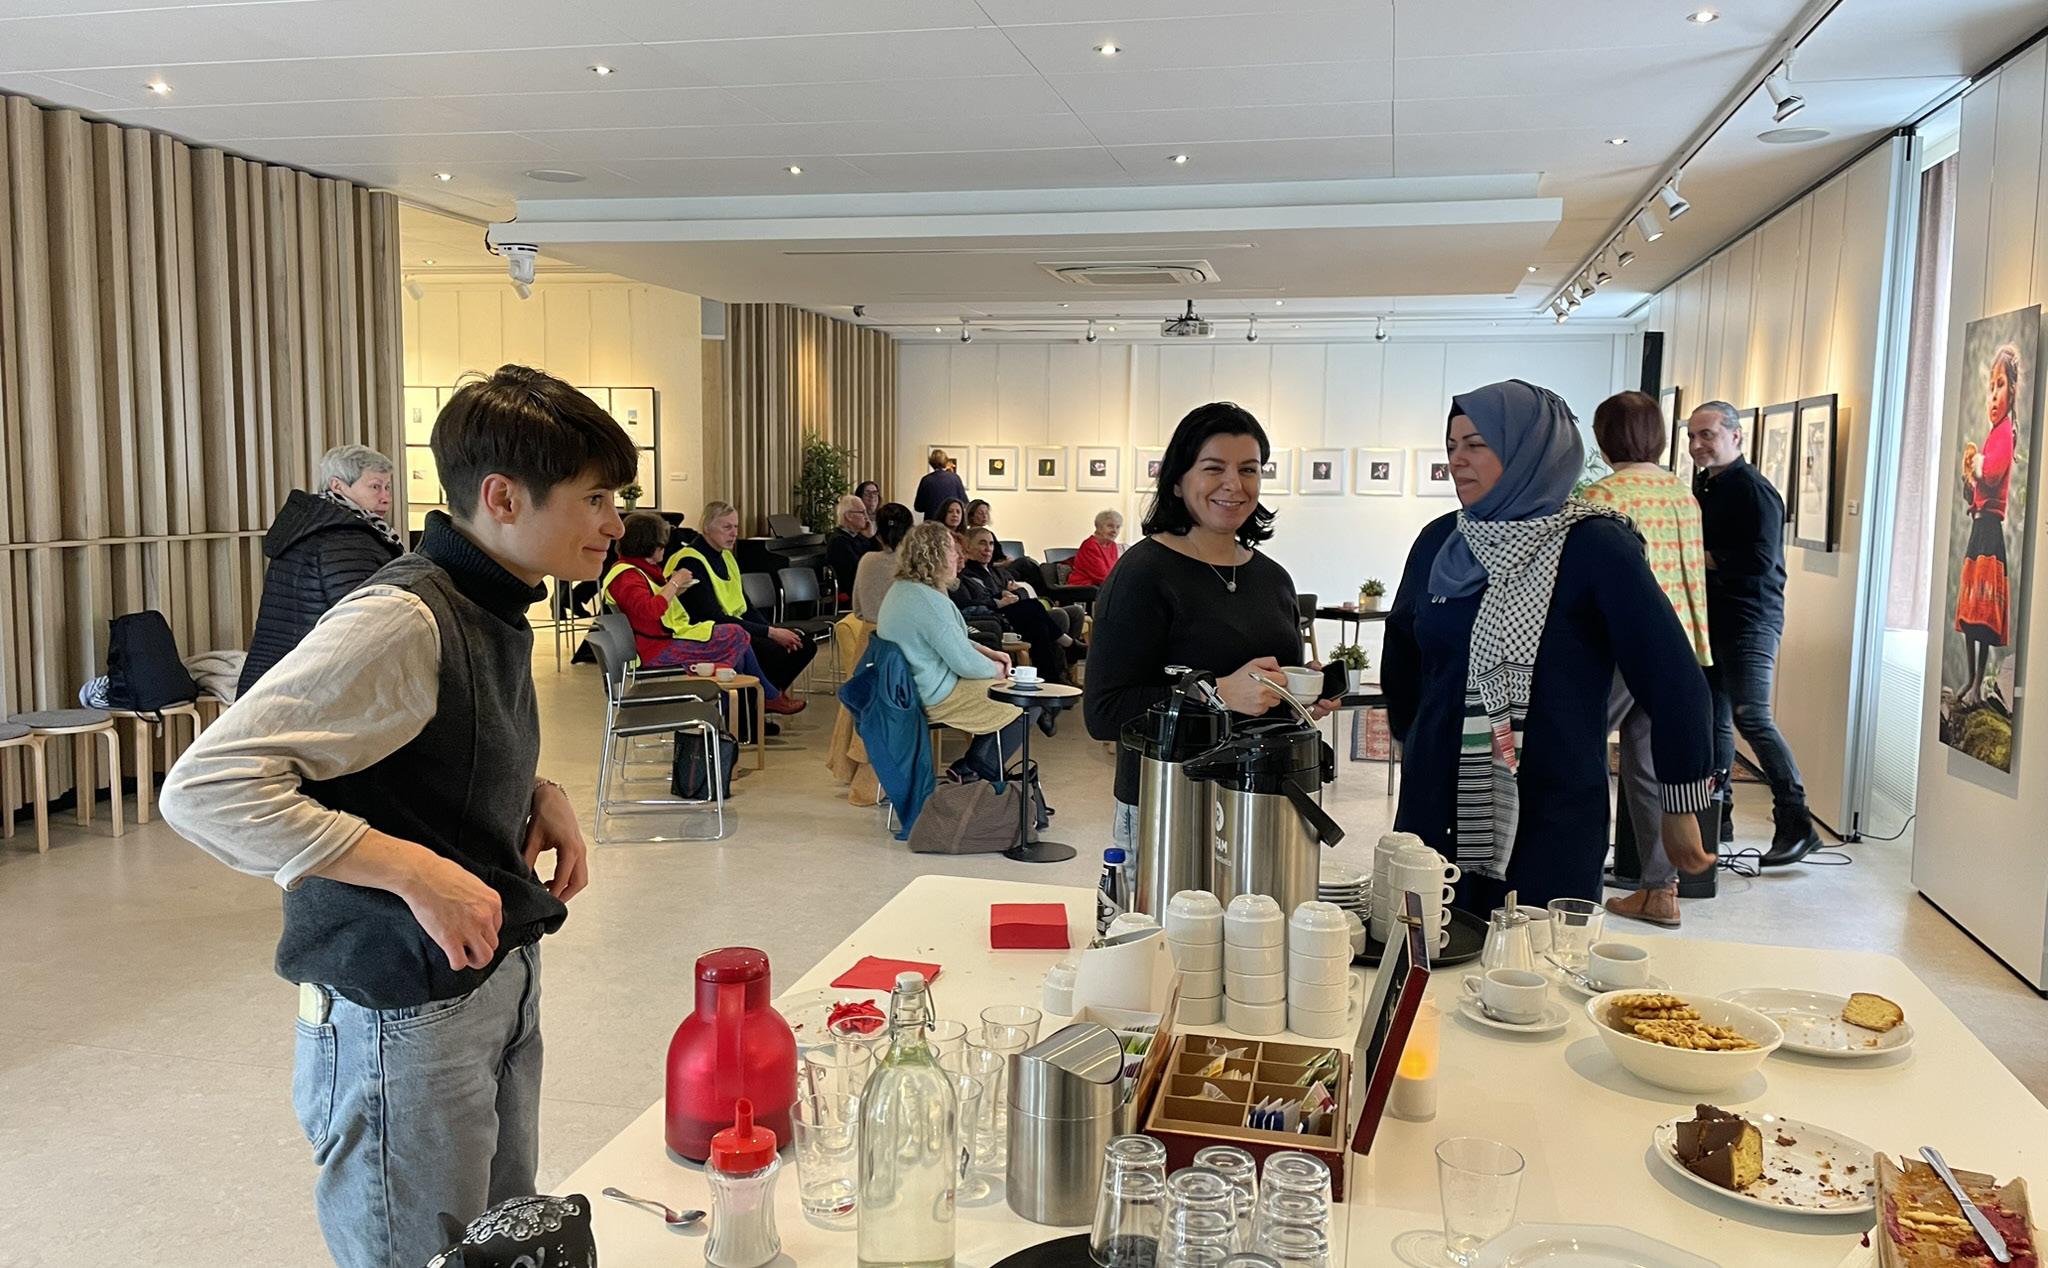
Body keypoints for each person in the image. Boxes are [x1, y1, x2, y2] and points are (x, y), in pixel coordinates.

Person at [159, 365, 629, 1268]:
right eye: (596, 498)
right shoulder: (404, 616)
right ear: (502, 497)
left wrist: (538, 791)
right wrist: (411, 870)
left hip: (485, 981)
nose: (614, 524)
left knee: (495, 1246)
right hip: (399, 1017)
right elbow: (206, 786)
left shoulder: (492, 601)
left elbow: (419, 750)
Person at [1383, 379, 1713, 912]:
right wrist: (1413, 735)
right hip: (1435, 798)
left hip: (1551, 807)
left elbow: (1671, 676)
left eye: (1477, 444)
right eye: (1451, 444)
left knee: (1544, 952)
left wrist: (1680, 803)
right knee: (1432, 939)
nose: (1457, 460)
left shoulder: (1594, 545)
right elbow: (1404, 648)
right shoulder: (1440, 542)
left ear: (1529, 449)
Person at [1084, 402, 1341, 852]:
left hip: (1266, 799)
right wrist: (1216, 692)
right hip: (1170, 806)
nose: (1234, 484)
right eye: (1213, 468)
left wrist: (1299, 698)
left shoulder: (1274, 579)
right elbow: (1104, 713)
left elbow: (1268, 696)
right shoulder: (1142, 574)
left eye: (1248, 469)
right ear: (1178, 481)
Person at [1581, 392, 1715, 927]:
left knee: (1581, 750)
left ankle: (1580, 876)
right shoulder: (1682, 494)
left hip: (1617, 645)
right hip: (1674, 646)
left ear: (1604, 439)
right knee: (1651, 767)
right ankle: (1661, 890)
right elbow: (1691, 574)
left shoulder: (1601, 496)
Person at [1687, 400, 1821, 866]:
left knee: (1752, 717)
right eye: (1692, 436)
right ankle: (1717, 817)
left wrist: (1697, 557)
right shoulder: (1706, 485)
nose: (1697, 445)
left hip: (1751, 620)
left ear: (1735, 436)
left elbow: (1759, 561)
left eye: (1706, 434)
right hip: (1713, 620)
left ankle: (1797, 821)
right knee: (1716, 718)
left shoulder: (1754, 490)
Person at [238, 444, 404, 695]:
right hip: (313, 683)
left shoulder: (308, 527)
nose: (385, 497)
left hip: (276, 673)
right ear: (338, 486)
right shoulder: (346, 539)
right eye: (375, 486)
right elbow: (365, 623)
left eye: (387, 487)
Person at [877, 521, 1030, 785]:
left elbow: (949, 640)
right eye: (951, 550)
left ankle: (975, 769)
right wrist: (995, 669)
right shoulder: (928, 600)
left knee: (1014, 695)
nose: (959, 556)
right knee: (1023, 701)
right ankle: (973, 770)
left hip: (905, 689)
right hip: (930, 694)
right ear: (934, 555)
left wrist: (985, 651)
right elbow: (965, 665)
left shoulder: (904, 590)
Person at [603, 512, 801, 714]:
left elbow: (651, 604)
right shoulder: (627, 576)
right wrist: (675, 582)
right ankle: (756, 702)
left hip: (662, 639)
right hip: (654, 649)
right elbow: (650, 610)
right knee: (737, 635)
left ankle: (740, 713)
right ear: (650, 544)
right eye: (662, 543)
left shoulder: (638, 569)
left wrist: (675, 590)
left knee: (737, 645)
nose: (665, 547)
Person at [668, 500, 817, 706]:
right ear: (707, 528)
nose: (734, 533)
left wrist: (771, 630)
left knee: (802, 645)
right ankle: (760, 703)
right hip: (708, 632)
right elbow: (710, 616)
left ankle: (760, 705)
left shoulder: (726, 557)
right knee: (772, 650)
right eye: (727, 527)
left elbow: (746, 606)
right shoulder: (691, 561)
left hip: (736, 626)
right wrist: (770, 633)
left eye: (736, 527)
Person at [1955, 344, 2022, 707]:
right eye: (1991, 387)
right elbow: (1980, 487)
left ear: (2012, 390)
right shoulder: (1992, 433)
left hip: (1991, 531)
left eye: (2000, 385)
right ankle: (1970, 679)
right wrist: (1969, 484)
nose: (1994, 395)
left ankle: (1979, 682)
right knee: (1970, 611)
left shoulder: (2005, 434)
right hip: (1978, 527)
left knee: (1982, 615)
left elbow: (1993, 473)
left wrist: (1977, 464)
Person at [956, 526, 1071, 691]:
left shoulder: (997, 571)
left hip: (1015, 612)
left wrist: (1012, 595)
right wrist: (1000, 599)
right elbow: (976, 601)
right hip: (995, 616)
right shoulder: (967, 572)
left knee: (1039, 621)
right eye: (982, 543)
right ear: (968, 547)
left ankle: (1053, 677)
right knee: (1034, 611)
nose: (988, 548)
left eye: (991, 544)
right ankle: (1059, 664)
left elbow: (1022, 591)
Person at [853, 503, 913, 623]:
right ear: (911, 532)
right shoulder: (916, 563)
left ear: (878, 534)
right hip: (906, 633)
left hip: (870, 632)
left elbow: (858, 610)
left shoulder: (866, 560)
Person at [826, 493, 879, 605]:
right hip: (851, 592)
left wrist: (870, 538)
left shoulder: (858, 536)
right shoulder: (839, 541)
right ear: (849, 516)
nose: (866, 517)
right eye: (862, 512)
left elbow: (875, 558)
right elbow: (859, 569)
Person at [1068, 508, 1124, 588]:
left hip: (1102, 586)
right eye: (1110, 526)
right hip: (1083, 588)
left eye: (1118, 527)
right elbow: (1102, 576)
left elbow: (1115, 572)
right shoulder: (1090, 545)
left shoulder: (1112, 545)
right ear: (1099, 527)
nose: (1115, 531)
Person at [913, 448, 967, 521]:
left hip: (932, 522)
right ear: (946, 461)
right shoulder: (955, 478)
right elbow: (964, 502)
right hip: (950, 522)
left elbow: (918, 507)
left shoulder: (926, 480)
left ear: (931, 462)